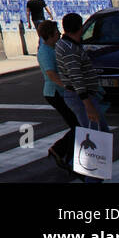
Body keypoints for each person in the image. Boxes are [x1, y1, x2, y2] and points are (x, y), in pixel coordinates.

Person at [55, 12, 111, 182]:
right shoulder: (70, 49)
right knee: (95, 137)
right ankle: (91, 177)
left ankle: (77, 165)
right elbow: (76, 77)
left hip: (78, 96)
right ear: (80, 28)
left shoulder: (65, 44)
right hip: (80, 98)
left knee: (97, 133)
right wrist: (88, 103)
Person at [36, 20, 79, 172]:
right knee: (77, 125)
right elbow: (51, 74)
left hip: (60, 92)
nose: (59, 34)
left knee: (78, 125)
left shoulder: (53, 48)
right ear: (50, 35)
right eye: (56, 32)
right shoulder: (45, 52)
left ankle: (61, 151)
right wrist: (68, 86)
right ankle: (62, 153)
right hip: (55, 93)